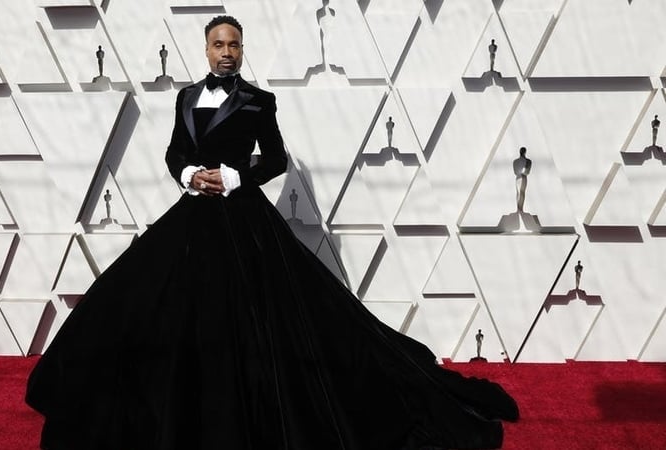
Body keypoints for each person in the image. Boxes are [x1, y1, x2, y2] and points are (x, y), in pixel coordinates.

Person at [26, 15, 518, 449]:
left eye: (234, 45)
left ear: (243, 50)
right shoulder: (186, 97)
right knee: (135, 297)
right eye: (218, 44)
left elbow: (277, 159)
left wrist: (234, 176)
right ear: (206, 49)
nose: (226, 52)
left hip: (244, 219)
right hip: (193, 214)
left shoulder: (260, 101)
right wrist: (188, 174)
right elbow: (175, 151)